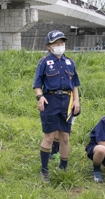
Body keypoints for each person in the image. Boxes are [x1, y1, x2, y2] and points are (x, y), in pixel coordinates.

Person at [33, 30, 81, 182]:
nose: (60, 45)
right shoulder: (44, 62)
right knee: (49, 136)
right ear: (49, 46)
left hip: (67, 101)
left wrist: (76, 101)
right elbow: (37, 84)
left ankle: (63, 167)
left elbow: (75, 85)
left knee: (65, 136)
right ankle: (44, 170)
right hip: (50, 100)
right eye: (56, 43)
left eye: (62, 42)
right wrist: (40, 97)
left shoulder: (70, 62)